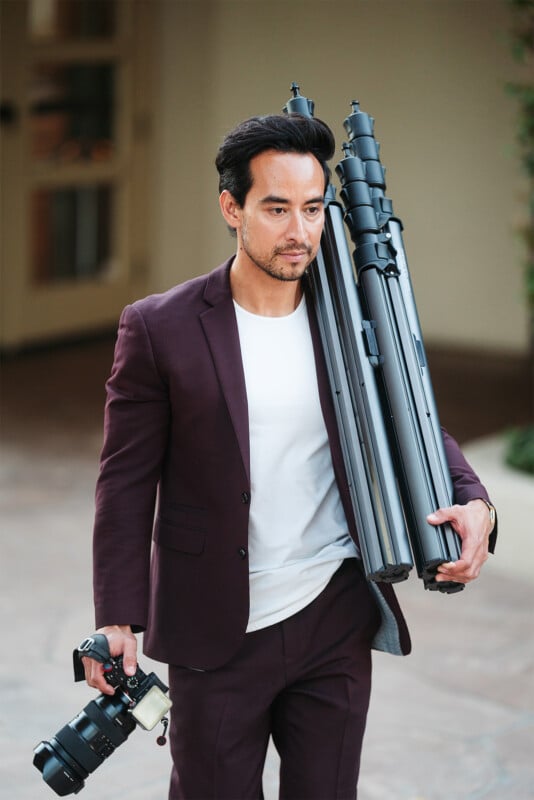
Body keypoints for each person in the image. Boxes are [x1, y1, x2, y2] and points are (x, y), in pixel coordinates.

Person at [82, 112, 497, 799]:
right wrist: (116, 616)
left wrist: (474, 500)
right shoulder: (160, 328)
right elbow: (123, 484)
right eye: (276, 208)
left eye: (312, 208)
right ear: (231, 208)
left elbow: (411, 414)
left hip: (333, 615)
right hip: (216, 628)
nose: (300, 231)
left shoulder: (350, 311)